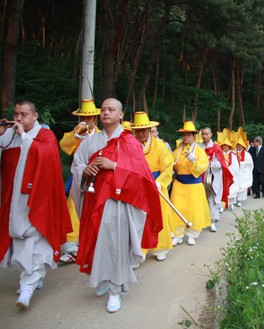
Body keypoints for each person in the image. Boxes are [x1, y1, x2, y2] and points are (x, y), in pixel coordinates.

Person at [72, 98, 163, 313]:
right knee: (96, 242)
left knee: (116, 246)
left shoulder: (129, 142)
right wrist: (85, 170)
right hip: (94, 200)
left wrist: (114, 166)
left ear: (121, 115)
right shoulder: (90, 142)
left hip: (118, 202)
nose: (106, 113)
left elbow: (141, 176)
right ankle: (102, 277)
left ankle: (115, 290)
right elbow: (77, 164)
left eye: (111, 110)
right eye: (103, 110)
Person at [0, 100, 72, 309]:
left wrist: (24, 137)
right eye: (16, 114)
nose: (19, 118)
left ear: (35, 116)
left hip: (38, 201)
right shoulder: (9, 135)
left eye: (24, 114)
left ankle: (27, 289)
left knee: (38, 244)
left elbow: (46, 155)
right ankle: (31, 280)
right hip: (13, 202)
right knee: (20, 244)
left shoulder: (45, 136)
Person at [59, 99, 101, 263]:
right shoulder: (76, 132)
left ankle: (94, 243)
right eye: (82, 117)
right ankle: (72, 247)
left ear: (95, 119)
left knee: (94, 209)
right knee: (72, 206)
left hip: (95, 175)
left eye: (88, 118)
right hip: (78, 175)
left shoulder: (100, 135)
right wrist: (76, 136)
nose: (85, 121)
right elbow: (64, 145)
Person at [131, 112, 174, 263]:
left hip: (156, 186)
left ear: (150, 130)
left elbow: (168, 167)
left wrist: (160, 182)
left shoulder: (159, 145)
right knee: (139, 218)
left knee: (159, 216)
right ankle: (139, 250)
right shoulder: (131, 144)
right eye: (138, 130)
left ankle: (160, 248)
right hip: (138, 188)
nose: (141, 133)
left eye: (144, 130)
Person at [170, 121, 211, 245]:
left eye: (189, 134)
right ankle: (178, 233)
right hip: (179, 184)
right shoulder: (177, 151)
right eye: (184, 135)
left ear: (194, 136)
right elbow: (170, 164)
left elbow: (204, 166)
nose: (186, 137)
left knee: (194, 209)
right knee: (177, 208)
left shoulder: (199, 151)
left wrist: (194, 161)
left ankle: (192, 233)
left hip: (194, 185)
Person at [199, 127, 233, 232]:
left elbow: (221, 163)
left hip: (212, 176)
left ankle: (213, 221)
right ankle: (202, 220)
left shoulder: (216, 148)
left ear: (211, 134)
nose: (205, 136)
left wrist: (210, 164)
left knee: (212, 198)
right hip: (199, 176)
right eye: (203, 134)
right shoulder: (198, 147)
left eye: (206, 134)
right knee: (201, 198)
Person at [217, 131, 239, 210]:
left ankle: (231, 204)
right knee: (221, 190)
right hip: (221, 175)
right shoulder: (219, 155)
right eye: (224, 145)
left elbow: (236, 166)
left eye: (227, 145)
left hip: (230, 175)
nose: (225, 147)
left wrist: (228, 170)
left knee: (231, 190)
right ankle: (221, 205)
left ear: (229, 146)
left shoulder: (233, 155)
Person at [233, 130, 253, 207]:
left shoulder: (247, 154)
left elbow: (250, 163)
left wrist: (241, 163)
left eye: (240, 145)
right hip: (236, 172)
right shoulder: (234, 153)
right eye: (237, 145)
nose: (238, 146)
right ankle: (234, 199)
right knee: (235, 185)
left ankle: (240, 200)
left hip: (243, 172)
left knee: (242, 186)